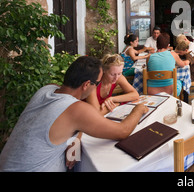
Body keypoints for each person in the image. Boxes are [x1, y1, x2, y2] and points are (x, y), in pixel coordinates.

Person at [0, 56, 148, 172]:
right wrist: (139, 108)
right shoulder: (76, 109)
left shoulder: (46, 90)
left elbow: (69, 122)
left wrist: (76, 138)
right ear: (86, 85)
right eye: (96, 84)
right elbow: (122, 131)